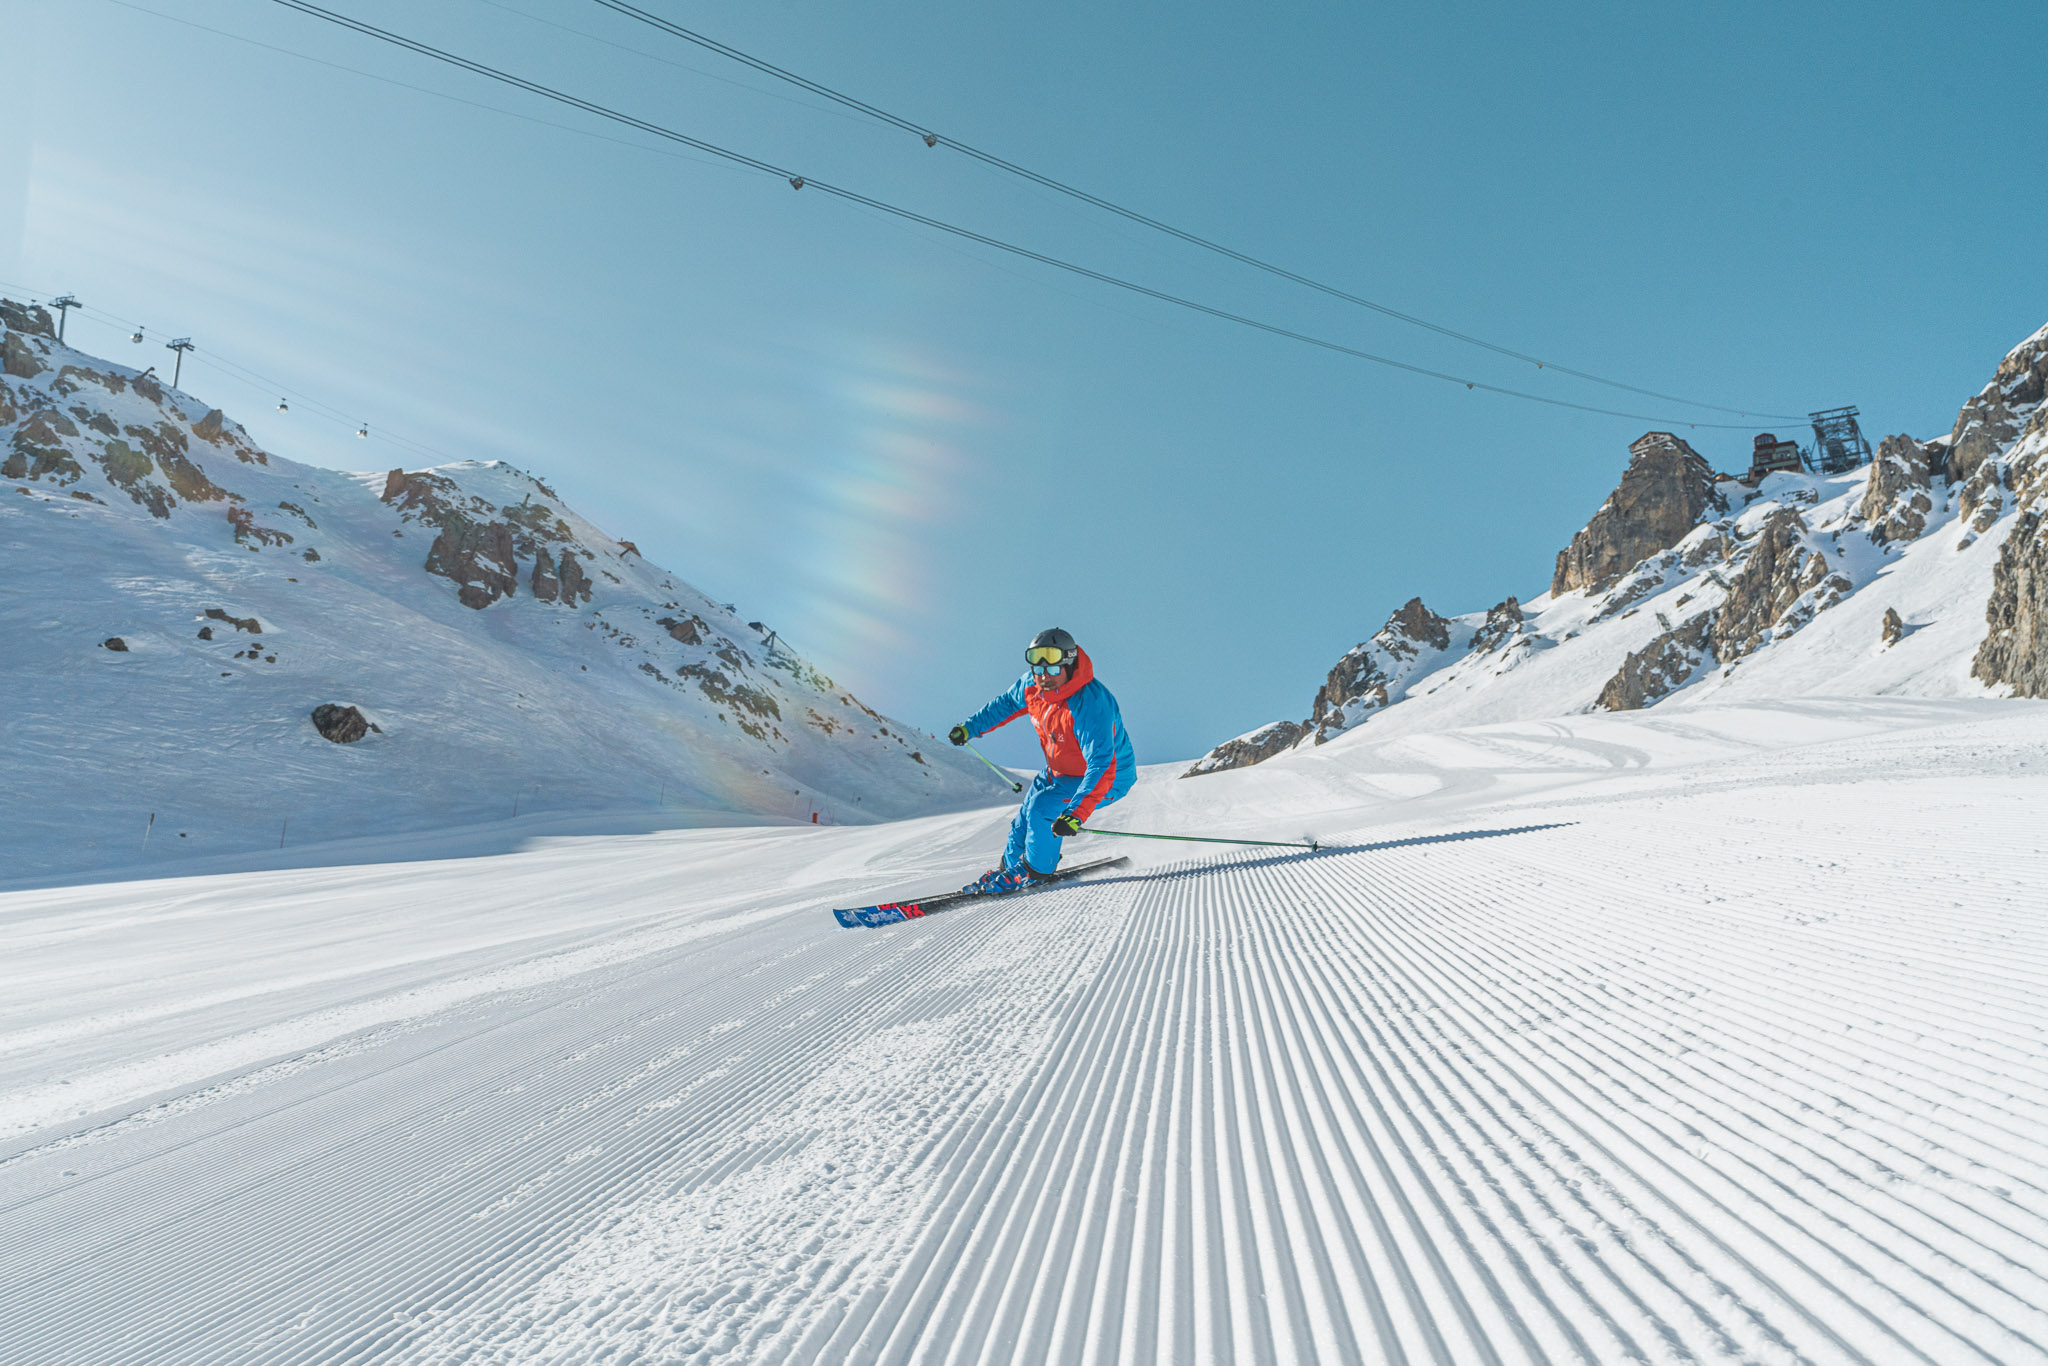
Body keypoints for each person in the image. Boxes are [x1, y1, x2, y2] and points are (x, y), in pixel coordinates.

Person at [949, 627, 1137, 894]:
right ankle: (1009, 870)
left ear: (1069, 664)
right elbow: (1004, 705)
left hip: (1108, 777)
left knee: (1042, 809)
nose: (1043, 676)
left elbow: (1102, 764)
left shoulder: (1090, 703)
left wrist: (1075, 814)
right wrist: (970, 728)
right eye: (1038, 668)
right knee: (1023, 823)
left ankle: (1034, 872)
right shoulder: (1033, 686)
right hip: (1059, 772)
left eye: (1051, 669)